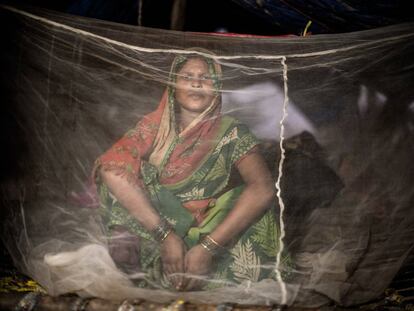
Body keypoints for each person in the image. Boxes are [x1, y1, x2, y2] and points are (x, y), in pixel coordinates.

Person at [94, 50, 284, 291]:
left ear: (217, 88)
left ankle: (196, 269)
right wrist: (166, 235)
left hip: (207, 227)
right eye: (187, 77)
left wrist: (208, 247)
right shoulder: (153, 127)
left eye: (206, 77)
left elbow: (263, 189)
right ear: (173, 85)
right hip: (157, 221)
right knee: (120, 187)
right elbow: (111, 168)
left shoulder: (233, 132)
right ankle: (147, 271)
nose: (196, 82)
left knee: (253, 211)